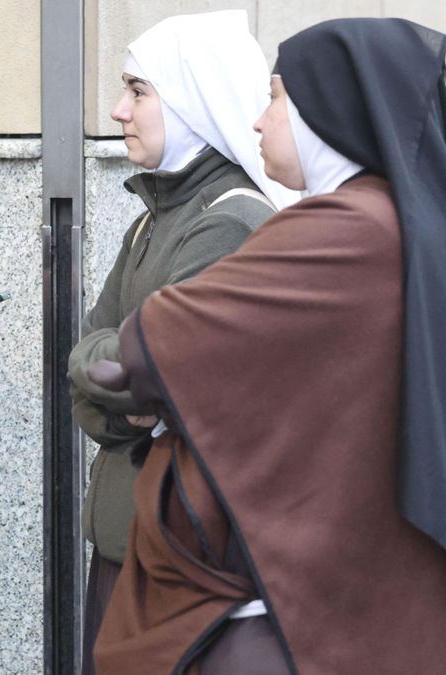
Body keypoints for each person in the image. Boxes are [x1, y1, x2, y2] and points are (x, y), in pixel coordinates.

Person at [88, 17, 446, 675]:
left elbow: (149, 347)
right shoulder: (407, 224)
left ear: (327, 110)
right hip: (389, 569)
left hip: (344, 598)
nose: (260, 122)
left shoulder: (343, 233)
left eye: (275, 99)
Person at [66, 11, 297, 672]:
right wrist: (112, 383)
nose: (117, 110)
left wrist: (123, 378)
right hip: (130, 546)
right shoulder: (149, 225)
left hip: (176, 567)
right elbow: (87, 365)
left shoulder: (230, 224)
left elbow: (152, 376)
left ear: (194, 102)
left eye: (139, 91)